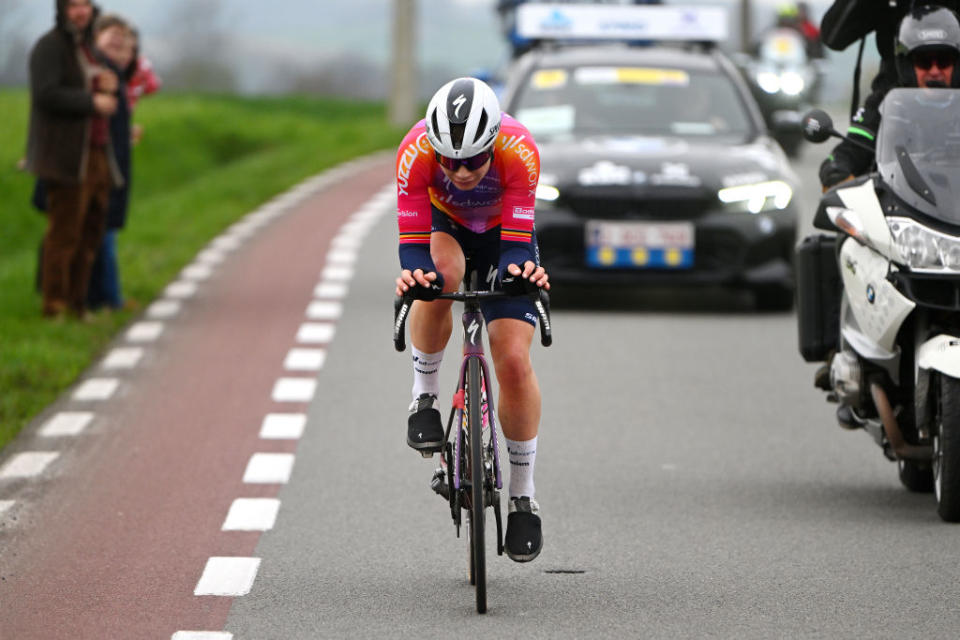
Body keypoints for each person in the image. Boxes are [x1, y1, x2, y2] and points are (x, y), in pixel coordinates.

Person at [394, 77, 550, 562]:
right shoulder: (415, 152)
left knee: (512, 360)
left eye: (474, 160)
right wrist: (416, 279)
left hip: (505, 231)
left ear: (493, 143)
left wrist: (520, 274)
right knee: (438, 276)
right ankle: (423, 398)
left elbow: (518, 244)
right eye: (449, 161)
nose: (460, 172)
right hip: (446, 230)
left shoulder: (519, 149)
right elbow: (413, 244)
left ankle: (523, 495)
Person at [25, 0, 122, 319]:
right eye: (73, 6)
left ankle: (79, 305)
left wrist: (108, 84)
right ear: (62, 10)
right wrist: (91, 100)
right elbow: (46, 93)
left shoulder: (89, 47)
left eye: (85, 5)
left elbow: (100, 82)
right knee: (64, 234)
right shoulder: (49, 47)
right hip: (66, 157)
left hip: (97, 153)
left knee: (91, 232)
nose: (80, 12)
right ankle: (54, 307)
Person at [819, 5, 960, 191]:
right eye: (924, 62)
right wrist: (836, 171)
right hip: (896, 203)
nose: (934, 71)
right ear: (908, 64)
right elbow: (851, 151)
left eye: (943, 61)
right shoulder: (884, 106)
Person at [86, 14, 138, 312]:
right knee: (100, 233)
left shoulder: (116, 76)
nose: (118, 42)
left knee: (105, 231)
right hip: (99, 164)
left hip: (113, 162)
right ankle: (106, 299)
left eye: (124, 41)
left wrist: (125, 132)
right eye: (111, 35)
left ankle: (107, 297)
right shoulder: (98, 74)